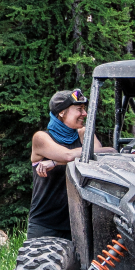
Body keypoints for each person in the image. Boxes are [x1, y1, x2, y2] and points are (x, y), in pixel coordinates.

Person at [27, 88, 88, 241]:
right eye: (79, 109)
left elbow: (107, 153)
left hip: (79, 226)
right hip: (46, 225)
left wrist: (54, 162)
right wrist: (67, 158)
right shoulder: (41, 138)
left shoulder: (83, 134)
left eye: (84, 109)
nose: (84, 114)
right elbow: (67, 155)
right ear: (62, 112)